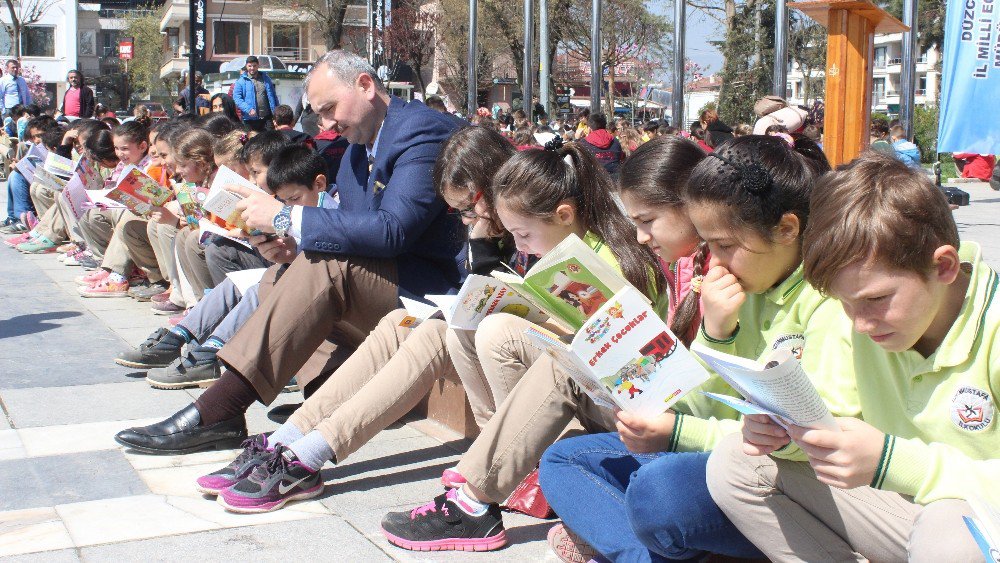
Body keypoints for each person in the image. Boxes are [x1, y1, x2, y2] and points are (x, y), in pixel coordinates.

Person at [113, 49, 467, 455]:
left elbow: (392, 231)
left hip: (437, 294)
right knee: (293, 264)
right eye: (318, 113)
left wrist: (284, 219)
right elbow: (354, 234)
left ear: (366, 86)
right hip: (390, 286)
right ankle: (313, 391)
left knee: (325, 265)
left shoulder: (422, 132)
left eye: (330, 108)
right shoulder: (355, 150)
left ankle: (222, 407)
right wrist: (290, 245)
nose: (326, 123)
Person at [540, 135, 858, 562]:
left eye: (724, 247)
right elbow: (699, 407)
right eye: (709, 247)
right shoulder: (746, 284)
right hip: (723, 456)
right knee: (564, 460)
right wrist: (715, 333)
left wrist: (675, 433)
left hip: (778, 480)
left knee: (660, 493)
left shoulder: (827, 302)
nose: (717, 262)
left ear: (786, 230)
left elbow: (793, 442)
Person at [706, 152, 997, 562]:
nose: (860, 324)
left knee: (952, 533)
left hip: (976, 527)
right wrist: (784, 436)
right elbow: (840, 431)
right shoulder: (870, 324)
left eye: (876, 299)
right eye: (844, 303)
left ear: (944, 266)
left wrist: (895, 461)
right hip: (905, 511)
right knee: (735, 463)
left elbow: (892, 464)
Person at [380, 139, 667, 552]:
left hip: (628, 397)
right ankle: (501, 466)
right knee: (464, 328)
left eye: (523, 234)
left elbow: (636, 353)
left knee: (501, 334)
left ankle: (477, 497)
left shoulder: (617, 257)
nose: (518, 246)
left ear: (564, 215)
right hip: (598, 388)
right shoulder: (564, 248)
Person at [232, 56, 279, 132]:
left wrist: (276, 112)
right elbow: (237, 98)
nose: (252, 68)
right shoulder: (240, 81)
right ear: (246, 66)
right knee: (251, 142)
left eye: (254, 66)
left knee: (269, 142)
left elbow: (273, 96)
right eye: (249, 66)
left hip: (267, 118)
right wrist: (248, 109)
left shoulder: (266, 79)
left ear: (258, 65)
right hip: (249, 119)